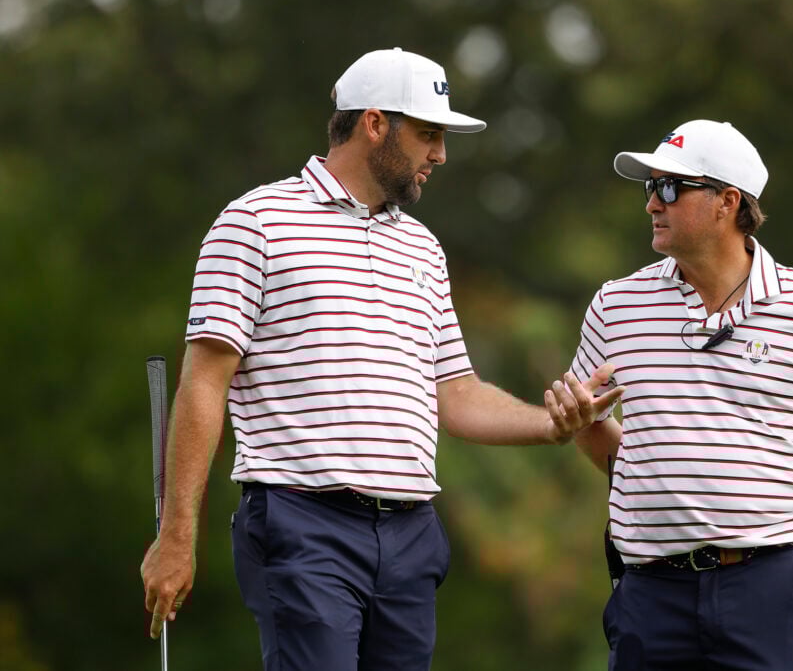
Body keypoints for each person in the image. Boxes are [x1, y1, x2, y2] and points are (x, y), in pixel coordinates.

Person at [140, 47, 624, 671]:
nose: (439, 154)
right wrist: (178, 535)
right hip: (302, 523)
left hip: (409, 534)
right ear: (374, 124)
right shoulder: (255, 222)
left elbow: (456, 392)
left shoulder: (422, 248)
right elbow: (204, 383)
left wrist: (552, 424)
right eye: (428, 134)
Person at [569, 119, 793, 671]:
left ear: (727, 202)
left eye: (670, 188)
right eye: (650, 187)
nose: (652, 204)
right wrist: (650, 479)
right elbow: (586, 419)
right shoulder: (616, 304)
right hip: (651, 594)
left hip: (771, 589)